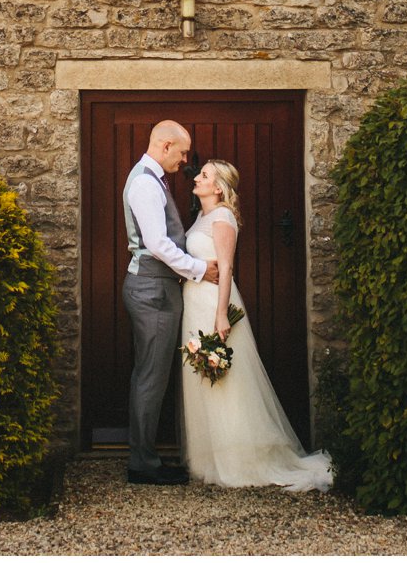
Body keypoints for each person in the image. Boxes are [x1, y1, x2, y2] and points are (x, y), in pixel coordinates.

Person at [179, 158, 334, 491]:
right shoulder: (201, 216)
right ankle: (210, 460)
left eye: (204, 175)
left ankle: (237, 461)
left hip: (213, 304)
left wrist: (221, 314)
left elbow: (226, 269)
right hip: (194, 303)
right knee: (203, 377)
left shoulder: (222, 218)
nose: (198, 178)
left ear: (218, 187)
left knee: (224, 380)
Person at [121, 119, 218, 486]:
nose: (184, 160)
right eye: (180, 152)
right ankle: (143, 464)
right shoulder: (145, 183)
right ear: (164, 147)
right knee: (151, 376)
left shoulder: (149, 178)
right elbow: (158, 245)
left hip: (153, 289)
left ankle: (144, 457)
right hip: (152, 290)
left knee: (149, 374)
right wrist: (198, 269)